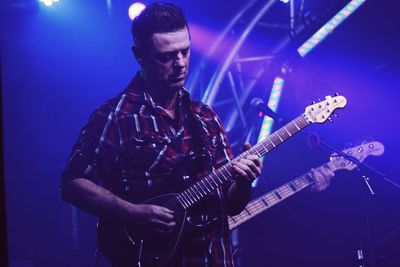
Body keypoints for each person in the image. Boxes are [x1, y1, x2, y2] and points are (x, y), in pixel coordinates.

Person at [60, 2, 333, 267]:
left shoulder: (205, 117)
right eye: (166, 56)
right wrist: (134, 214)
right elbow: (73, 183)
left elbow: (232, 205)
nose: (179, 63)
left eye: (185, 52)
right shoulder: (117, 116)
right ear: (139, 55)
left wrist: (244, 181)